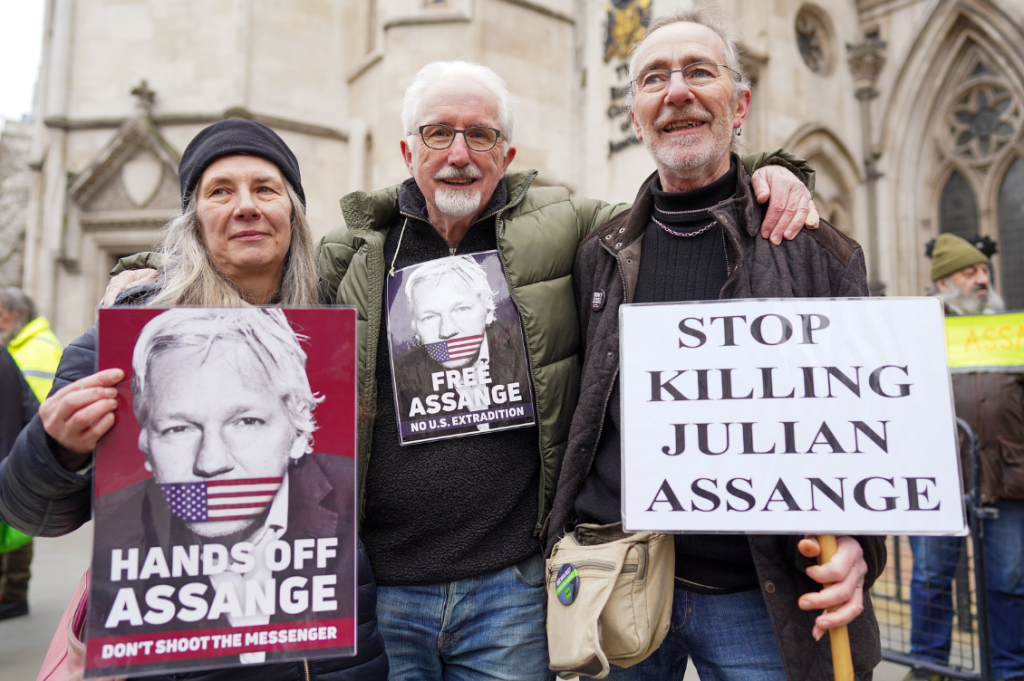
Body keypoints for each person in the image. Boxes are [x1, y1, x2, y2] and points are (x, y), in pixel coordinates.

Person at [109, 62, 818, 679]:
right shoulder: (352, 249)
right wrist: (148, 273)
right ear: (406, 149)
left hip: (510, 590)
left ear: (507, 152)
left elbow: (674, 204)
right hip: (383, 586)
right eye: (437, 134)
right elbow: (250, 282)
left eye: (480, 135)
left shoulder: (565, 225)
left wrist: (775, 169)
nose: (458, 154)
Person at [542, 8, 886, 680]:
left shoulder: (818, 251)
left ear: (740, 105)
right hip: (622, 580)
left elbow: (864, 427)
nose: (677, 91)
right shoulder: (598, 255)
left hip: (766, 598)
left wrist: (860, 548)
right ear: (636, 117)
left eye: (700, 72)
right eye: (654, 79)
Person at [0, 119, 388, 681]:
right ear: (194, 219)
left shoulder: (336, 338)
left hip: (328, 663)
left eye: (265, 188)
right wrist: (54, 449)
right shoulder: (121, 344)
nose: (246, 207)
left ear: (293, 213)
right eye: (220, 191)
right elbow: (28, 513)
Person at [90, 308, 356, 672]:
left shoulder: (352, 499)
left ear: (296, 432)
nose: (211, 461)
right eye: (179, 429)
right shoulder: (117, 535)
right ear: (146, 446)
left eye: (245, 421)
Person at [906, 233, 1024, 681]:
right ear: (943, 282)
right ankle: (928, 665)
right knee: (931, 577)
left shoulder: (1009, 331)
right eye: (970, 271)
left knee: (1009, 578)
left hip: (1007, 476)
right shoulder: (920, 332)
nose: (983, 278)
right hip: (939, 478)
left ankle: (1009, 670)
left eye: (984, 271)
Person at [391, 254, 533, 441]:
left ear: (488, 312)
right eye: (429, 317)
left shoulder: (528, 343)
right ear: (415, 328)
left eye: (461, 309)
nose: (447, 331)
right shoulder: (401, 374)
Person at [0, 345, 37, 621]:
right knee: (17, 528)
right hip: (13, 459)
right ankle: (14, 594)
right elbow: (32, 409)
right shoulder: (5, 355)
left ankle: (13, 595)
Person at [0, 288, 63, 402]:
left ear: (21, 313)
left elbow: (38, 404)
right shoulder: (21, 344)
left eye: (1, 315)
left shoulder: (39, 347)